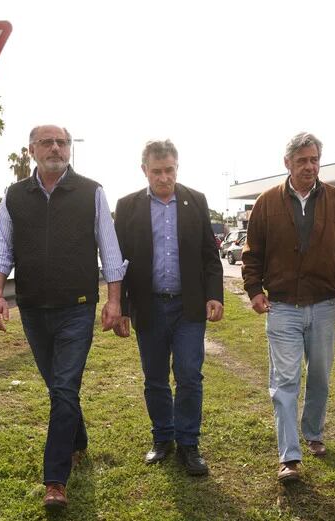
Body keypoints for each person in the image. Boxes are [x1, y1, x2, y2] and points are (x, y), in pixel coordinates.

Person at [0, 125, 126, 509]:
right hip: (32, 309)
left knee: (64, 388)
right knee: (59, 388)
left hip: (77, 308)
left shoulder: (90, 192)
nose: (56, 148)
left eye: (62, 142)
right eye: (47, 142)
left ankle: (54, 480)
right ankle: (77, 440)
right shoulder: (15, 195)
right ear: (31, 150)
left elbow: (110, 252)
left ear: (69, 149)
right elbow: (0, 250)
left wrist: (114, 302)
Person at [241, 132, 335, 482]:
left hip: (324, 305)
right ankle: (289, 456)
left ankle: (313, 432)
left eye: (314, 160)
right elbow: (252, 254)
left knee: (319, 377)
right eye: (302, 161)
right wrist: (254, 289)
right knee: (284, 380)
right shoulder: (266, 203)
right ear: (288, 163)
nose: (309, 167)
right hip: (282, 307)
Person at [113, 139, 223, 476]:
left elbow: (209, 254)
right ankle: (163, 437)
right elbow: (118, 262)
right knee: (155, 378)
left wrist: (214, 294)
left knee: (189, 375)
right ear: (144, 170)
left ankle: (189, 443)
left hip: (188, 307)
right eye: (157, 171)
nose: (164, 177)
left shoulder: (196, 201)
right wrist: (123, 307)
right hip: (149, 307)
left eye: (170, 170)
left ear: (177, 167)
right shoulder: (127, 206)